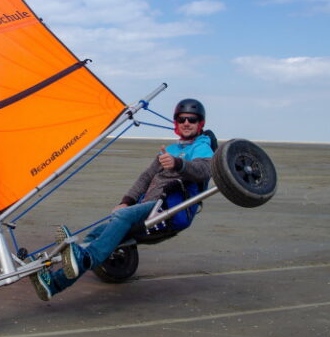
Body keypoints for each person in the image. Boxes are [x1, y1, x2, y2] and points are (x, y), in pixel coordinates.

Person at [30, 98, 214, 301]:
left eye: (192, 119)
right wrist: (126, 201)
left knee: (121, 220)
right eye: (182, 119)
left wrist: (178, 164)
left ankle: (88, 258)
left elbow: (205, 170)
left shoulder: (202, 146)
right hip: (148, 206)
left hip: (169, 208)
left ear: (200, 124)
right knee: (95, 235)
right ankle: (54, 284)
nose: (186, 123)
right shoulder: (168, 150)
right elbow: (145, 178)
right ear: (176, 123)